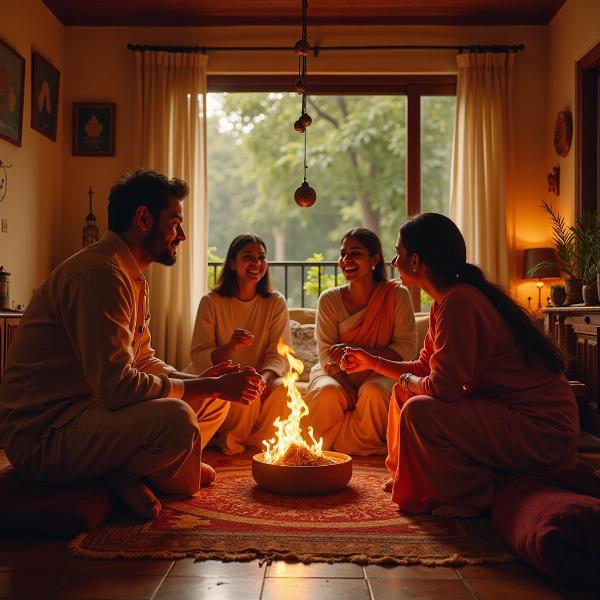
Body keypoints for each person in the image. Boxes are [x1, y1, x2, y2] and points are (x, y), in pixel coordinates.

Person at [0, 170, 264, 521]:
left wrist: (208, 384)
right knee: (179, 420)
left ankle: (131, 470)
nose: (181, 235)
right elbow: (117, 387)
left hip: (91, 413)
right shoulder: (101, 275)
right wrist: (204, 385)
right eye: (175, 223)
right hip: (46, 434)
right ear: (143, 218)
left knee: (215, 403)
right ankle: (124, 474)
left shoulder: (131, 274)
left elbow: (143, 359)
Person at [341, 213, 579, 517]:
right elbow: (425, 367)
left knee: (419, 409)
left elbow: (442, 388)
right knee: (404, 395)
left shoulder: (461, 302)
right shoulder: (443, 302)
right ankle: (409, 478)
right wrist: (371, 362)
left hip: (541, 428)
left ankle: (478, 492)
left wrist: (404, 382)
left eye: (397, 253)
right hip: (506, 413)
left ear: (415, 261)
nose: (392, 261)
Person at [304, 228, 417, 456]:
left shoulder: (396, 295)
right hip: (334, 371)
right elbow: (325, 352)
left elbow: (406, 349)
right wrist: (345, 386)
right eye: (343, 254)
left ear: (374, 259)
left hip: (380, 371)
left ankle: (358, 448)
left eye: (354, 253)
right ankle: (315, 450)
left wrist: (363, 355)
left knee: (374, 393)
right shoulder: (329, 299)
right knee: (327, 392)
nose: (347, 260)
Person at [188, 234, 291, 455]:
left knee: (283, 389)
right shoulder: (211, 301)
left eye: (261, 257)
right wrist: (230, 347)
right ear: (233, 263)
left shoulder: (275, 302)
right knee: (245, 388)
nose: (256, 263)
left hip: (263, 376)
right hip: (221, 376)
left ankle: (261, 446)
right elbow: (199, 354)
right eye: (248, 257)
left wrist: (263, 379)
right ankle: (232, 442)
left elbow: (278, 353)